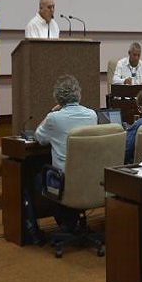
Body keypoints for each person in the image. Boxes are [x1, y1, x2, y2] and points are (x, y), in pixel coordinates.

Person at [28, 75, 98, 242]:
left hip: (65, 182)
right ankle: (71, 222)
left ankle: (66, 223)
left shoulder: (54, 118)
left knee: (38, 178)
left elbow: (39, 136)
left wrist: (52, 112)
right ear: (78, 94)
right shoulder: (92, 115)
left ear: (57, 97)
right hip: (89, 180)